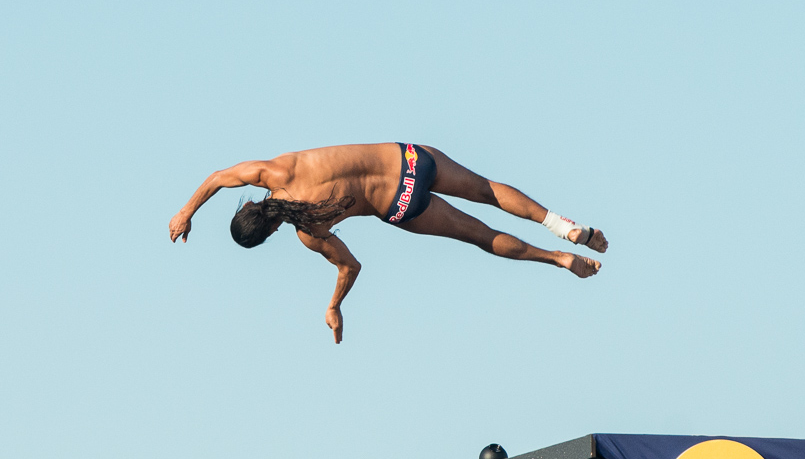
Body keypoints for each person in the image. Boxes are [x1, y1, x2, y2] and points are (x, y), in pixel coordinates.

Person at [169, 143, 608, 343]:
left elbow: (350, 267)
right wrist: (187, 210)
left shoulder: (310, 233)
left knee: (480, 236)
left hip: (398, 205)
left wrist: (334, 305)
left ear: (268, 234)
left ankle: (557, 258)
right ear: (249, 204)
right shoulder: (275, 171)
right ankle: (560, 225)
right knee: (488, 190)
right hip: (409, 160)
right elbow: (218, 177)